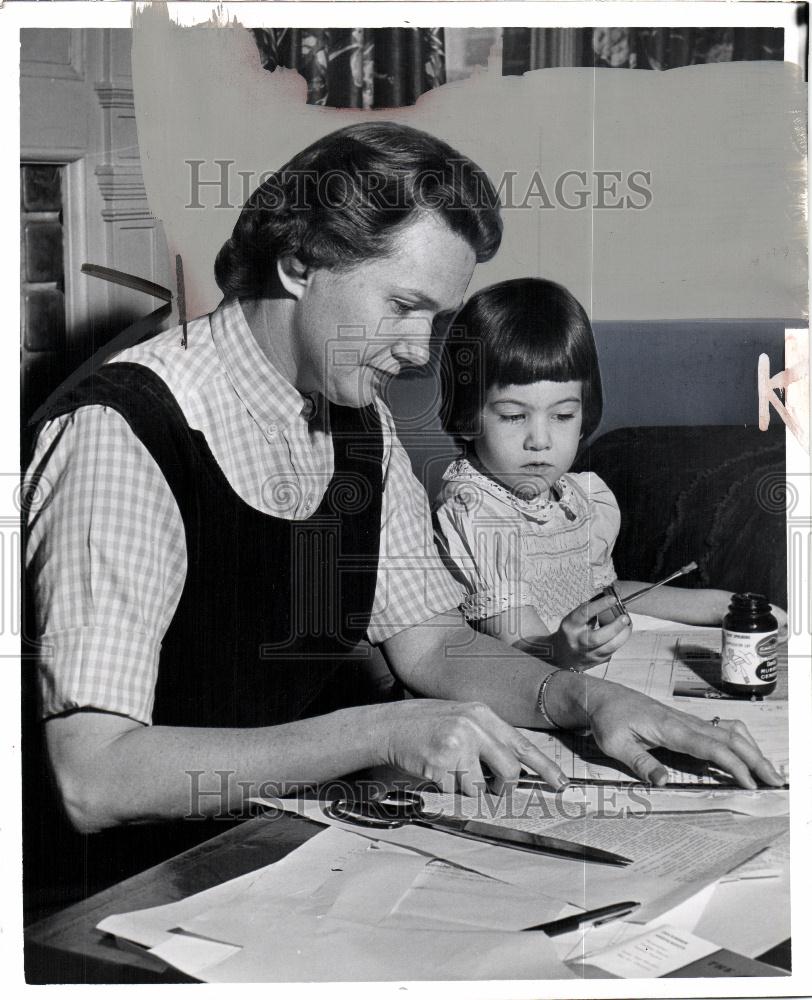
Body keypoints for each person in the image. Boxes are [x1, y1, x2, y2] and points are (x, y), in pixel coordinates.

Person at [23, 123, 783, 897]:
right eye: (403, 305)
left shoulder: (360, 422)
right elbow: (95, 775)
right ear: (299, 262)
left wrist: (588, 698)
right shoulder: (121, 433)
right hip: (127, 893)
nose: (422, 351)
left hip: (289, 846)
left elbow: (434, 643)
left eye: (438, 318)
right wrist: (382, 731)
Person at [434, 277, 789, 669]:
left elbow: (605, 596)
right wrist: (563, 649)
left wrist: (721, 604)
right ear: (467, 417)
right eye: (515, 416)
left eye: (563, 415)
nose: (540, 440)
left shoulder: (580, 498)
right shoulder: (474, 509)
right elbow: (519, 648)